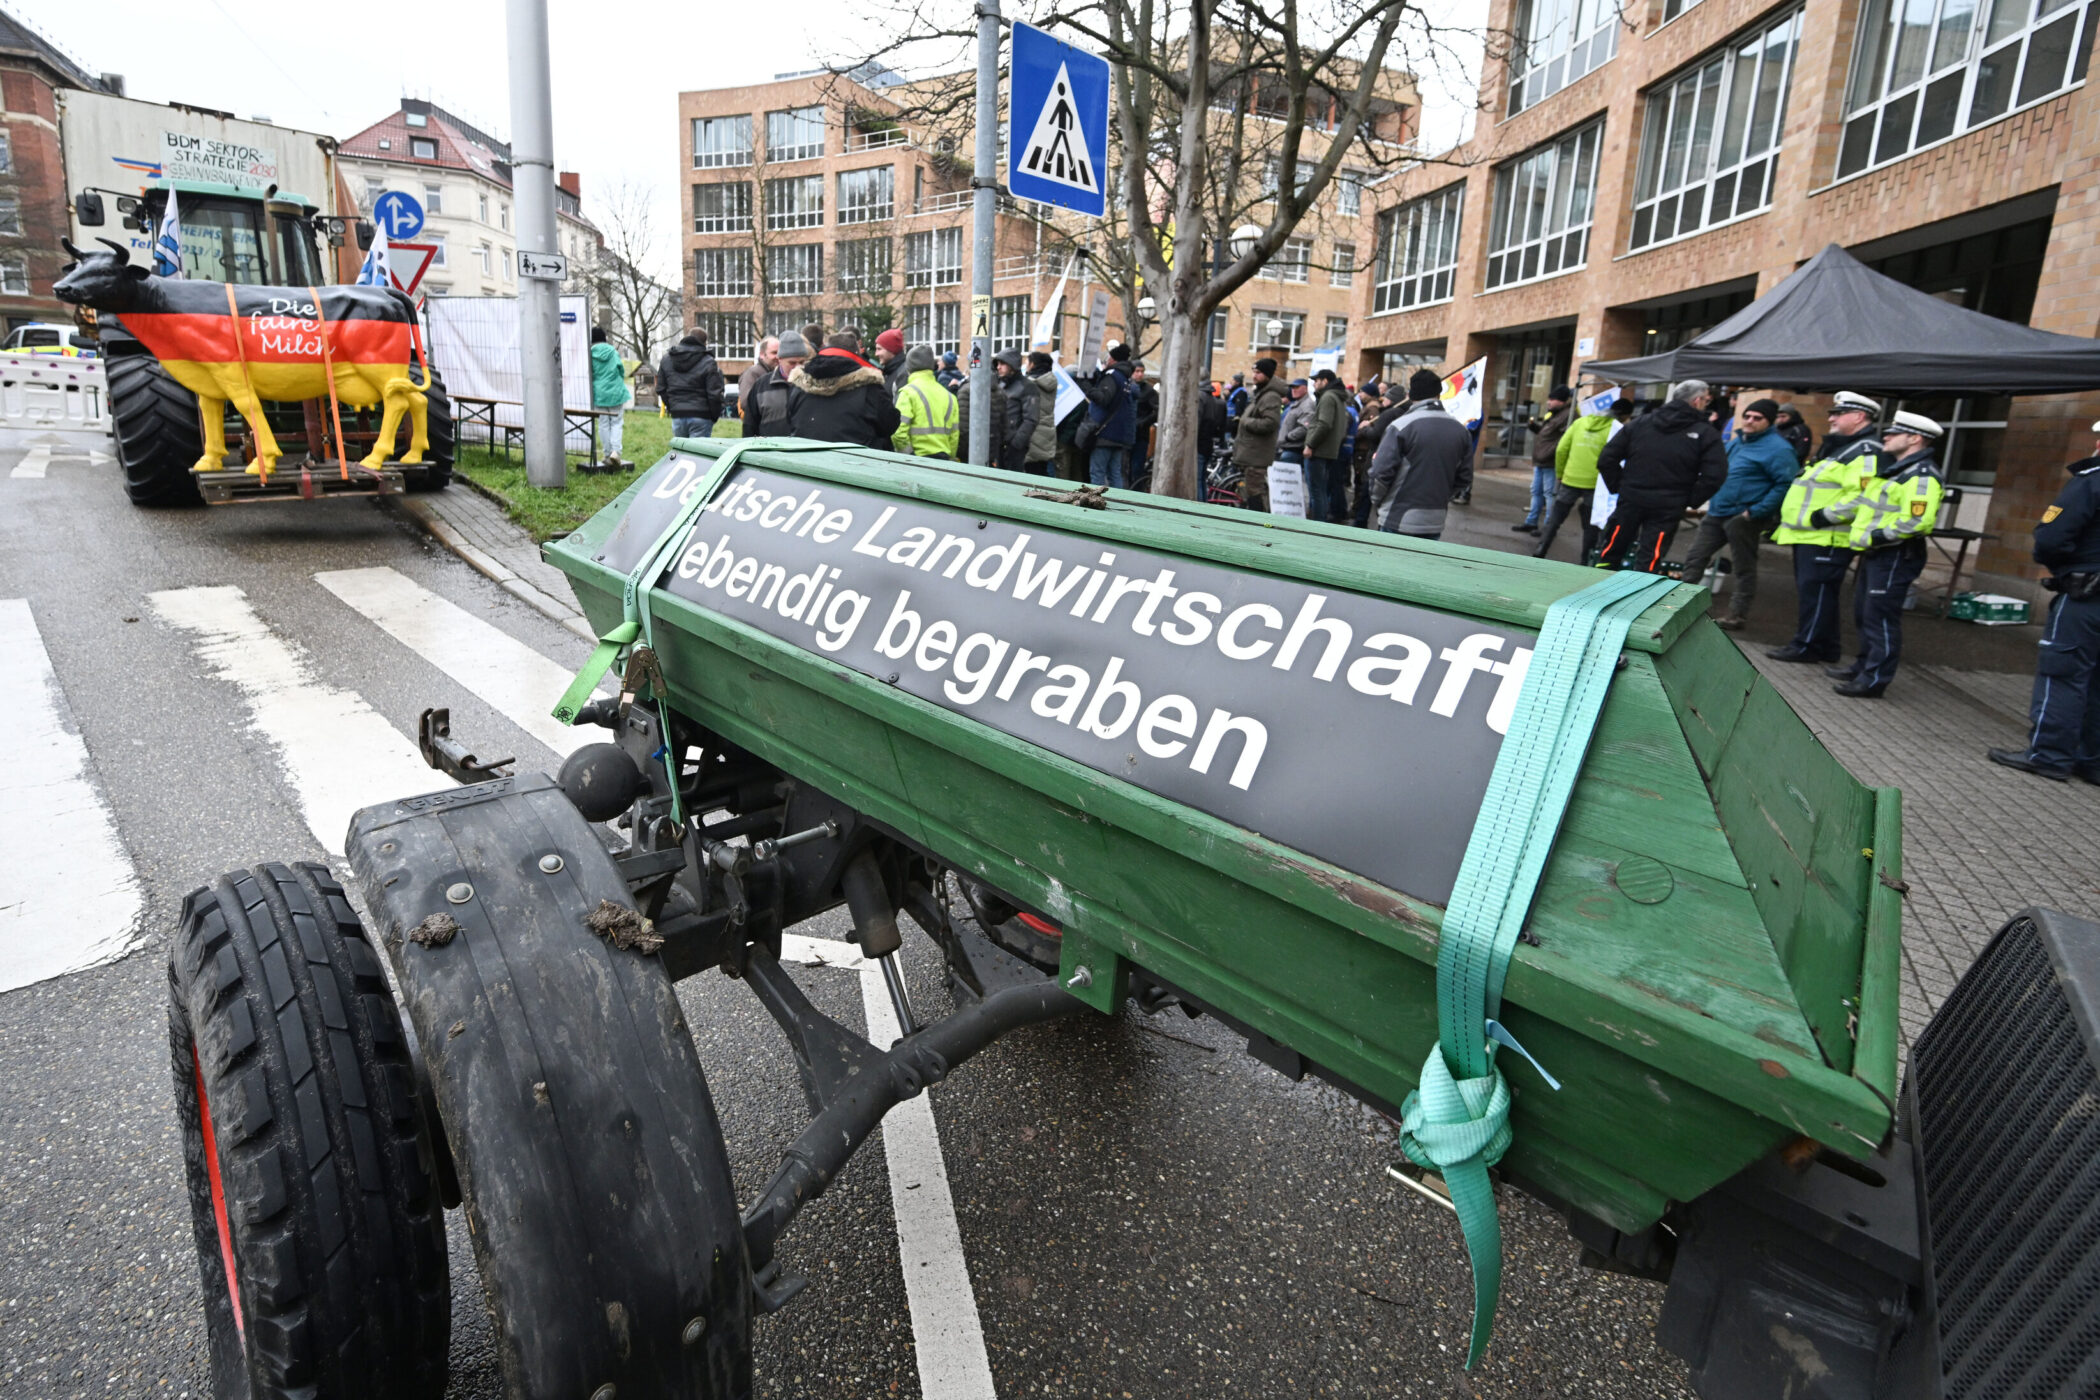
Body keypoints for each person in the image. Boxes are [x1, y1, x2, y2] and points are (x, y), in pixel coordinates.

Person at [1989, 419, 2100, 781]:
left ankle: (2049, 755)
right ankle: (2090, 759)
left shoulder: (2091, 480)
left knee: (2063, 674)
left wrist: (2061, 567)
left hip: (2085, 597)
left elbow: (2052, 537)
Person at [1819, 411, 1944, 697]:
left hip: (1895, 554)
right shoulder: (1897, 469)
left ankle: (1874, 680)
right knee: (1865, 613)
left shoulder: (1920, 474)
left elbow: (1917, 522)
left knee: (1880, 618)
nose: (1885, 436)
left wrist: (1875, 537)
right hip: (1877, 553)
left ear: (1914, 439)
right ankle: (1863, 667)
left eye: (1894, 433)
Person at [1766, 392, 1890, 664]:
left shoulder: (1865, 451)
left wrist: (1821, 518)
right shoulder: (1843, 447)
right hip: (1814, 536)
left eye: (1838, 413)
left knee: (1817, 594)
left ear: (1859, 417)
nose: (1830, 417)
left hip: (1828, 536)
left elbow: (1862, 497)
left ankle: (1807, 646)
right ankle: (1826, 647)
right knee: (1819, 594)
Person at [1677, 397, 1800, 630]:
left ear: (1770, 422)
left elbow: (1785, 485)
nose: (1750, 421)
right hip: (1718, 511)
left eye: (1757, 418)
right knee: (1695, 558)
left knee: (1744, 567)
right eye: (1747, 416)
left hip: (1745, 517)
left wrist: (1756, 511)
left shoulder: (1779, 449)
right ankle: (1680, 606)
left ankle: (1736, 614)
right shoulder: (1738, 441)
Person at [1594, 379, 1729, 572]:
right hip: (1667, 505)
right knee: (1650, 557)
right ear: (1697, 401)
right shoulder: (1705, 432)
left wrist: (1621, 486)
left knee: (1612, 550)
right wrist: (1690, 499)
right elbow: (1715, 474)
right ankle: (1639, 597)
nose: (1706, 405)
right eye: (1707, 401)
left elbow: (1607, 458)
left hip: (1633, 498)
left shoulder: (1640, 423)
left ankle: (1597, 588)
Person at [1367, 367, 1476, 540]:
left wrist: (1378, 501)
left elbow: (1380, 473)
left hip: (1397, 519)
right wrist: (1439, 499)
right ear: (1439, 395)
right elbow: (1464, 478)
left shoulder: (1401, 426)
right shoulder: (1460, 430)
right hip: (1434, 520)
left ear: (1410, 395)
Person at [1534, 395, 1628, 562]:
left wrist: (1561, 473)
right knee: (1591, 524)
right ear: (1624, 415)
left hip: (1570, 478)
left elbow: (1561, 449)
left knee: (1556, 518)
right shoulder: (1617, 429)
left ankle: (1541, 548)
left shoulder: (1579, 423)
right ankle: (1586, 559)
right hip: (1595, 484)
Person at [784, 332, 901, 449]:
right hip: (856, 462)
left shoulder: (799, 386)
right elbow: (890, 424)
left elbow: (791, 421)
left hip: (808, 460)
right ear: (856, 355)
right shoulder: (869, 387)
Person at [1517, 386, 1573, 535]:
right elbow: (1547, 434)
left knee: (1550, 494)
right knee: (1536, 491)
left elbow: (1563, 441)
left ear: (1561, 401)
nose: (1548, 402)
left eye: (1552, 399)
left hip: (1551, 462)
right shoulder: (1554, 414)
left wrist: (1547, 453)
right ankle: (1531, 522)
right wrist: (1534, 427)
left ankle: (1548, 527)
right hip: (1542, 460)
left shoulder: (1568, 415)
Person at [1233, 357, 1286, 510]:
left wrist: (1245, 422)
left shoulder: (1270, 397)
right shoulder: (1262, 394)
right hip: (1251, 454)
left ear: (1268, 375)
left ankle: (1260, 525)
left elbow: (1270, 423)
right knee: (1251, 492)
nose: (1254, 376)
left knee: (1255, 493)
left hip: (1257, 456)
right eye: (1254, 372)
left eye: (1259, 373)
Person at [1081, 343, 1137, 488]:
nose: (1107, 361)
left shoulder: (1112, 376)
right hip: (1119, 434)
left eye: (1109, 358)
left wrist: (1087, 388)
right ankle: (1117, 504)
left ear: (1113, 360)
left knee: (1097, 473)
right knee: (1115, 474)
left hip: (1104, 434)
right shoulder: (1126, 378)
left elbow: (1103, 398)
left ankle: (1096, 504)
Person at [655, 326, 725, 441]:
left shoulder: (667, 359)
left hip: (678, 414)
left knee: (682, 454)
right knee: (698, 456)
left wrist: (673, 407)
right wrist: (713, 415)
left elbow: (661, 388)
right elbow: (714, 393)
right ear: (704, 342)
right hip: (702, 415)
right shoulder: (708, 361)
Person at [892, 344, 959, 460]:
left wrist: (910, 456)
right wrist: (950, 459)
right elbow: (954, 436)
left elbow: (898, 434)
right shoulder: (949, 396)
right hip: (944, 461)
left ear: (909, 368)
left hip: (917, 461)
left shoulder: (908, 393)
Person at [1303, 369, 1350, 524]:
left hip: (1319, 450)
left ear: (1325, 381)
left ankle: (1317, 523)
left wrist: (1310, 444)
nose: (1315, 384)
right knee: (1321, 490)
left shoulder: (1328, 397)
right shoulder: (1337, 397)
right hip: (1328, 450)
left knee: (1317, 491)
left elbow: (1324, 424)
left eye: (1317, 381)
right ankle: (1319, 521)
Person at [743, 332, 805, 438]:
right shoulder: (761, 386)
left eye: (802, 362)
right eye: (792, 363)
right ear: (779, 359)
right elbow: (749, 426)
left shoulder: (811, 386)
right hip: (769, 451)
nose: (798, 367)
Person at [588, 326, 632, 465]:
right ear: (604, 338)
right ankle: (616, 452)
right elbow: (621, 369)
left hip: (599, 393)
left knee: (603, 424)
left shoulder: (589, 354)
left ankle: (607, 454)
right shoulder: (613, 352)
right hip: (615, 393)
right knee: (617, 422)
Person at [995, 349, 1039, 474]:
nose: (998, 367)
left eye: (1002, 364)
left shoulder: (1027, 387)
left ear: (1012, 364)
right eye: (997, 364)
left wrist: (1016, 444)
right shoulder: (1001, 384)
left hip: (1014, 448)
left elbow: (1031, 419)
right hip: (999, 446)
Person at [955, 367, 1009, 466]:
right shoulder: (1000, 392)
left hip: (970, 451)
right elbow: (1004, 425)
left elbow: (963, 426)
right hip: (992, 450)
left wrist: (960, 452)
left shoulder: (967, 391)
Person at [1274, 378, 1313, 508]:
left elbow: (1304, 427)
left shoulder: (1307, 404)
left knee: (1288, 484)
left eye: (1297, 387)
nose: (1293, 390)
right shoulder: (1296, 404)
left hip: (1293, 449)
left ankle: (1289, 508)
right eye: (1292, 387)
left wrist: (1288, 438)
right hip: (1286, 447)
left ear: (1305, 388)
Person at [1023, 351, 1060, 475]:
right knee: (1042, 471)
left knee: (1030, 473)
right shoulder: (1051, 381)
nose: (1025, 364)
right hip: (1047, 430)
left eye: (1027, 361)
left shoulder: (1030, 383)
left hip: (1033, 432)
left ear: (1033, 364)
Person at [1129, 361, 1160, 485]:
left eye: (1142, 371)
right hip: (1127, 434)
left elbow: (1157, 411)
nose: (1140, 374)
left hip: (1141, 435)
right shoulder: (1127, 387)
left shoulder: (1149, 391)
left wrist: (1143, 422)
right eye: (1137, 371)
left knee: (1137, 467)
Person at [738, 336, 780, 407]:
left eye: (779, 353)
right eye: (774, 353)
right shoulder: (752, 373)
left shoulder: (778, 373)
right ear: (762, 355)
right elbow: (746, 402)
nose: (777, 357)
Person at [1196, 382, 1228, 469]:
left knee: (1199, 472)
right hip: (1212, 437)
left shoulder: (1204, 399)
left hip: (1203, 440)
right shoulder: (1220, 402)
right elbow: (1223, 422)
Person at [874, 328, 909, 397]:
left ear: (891, 350)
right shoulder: (890, 371)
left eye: (879, 349)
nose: (876, 354)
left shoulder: (902, 374)